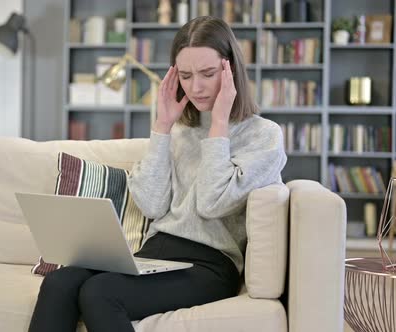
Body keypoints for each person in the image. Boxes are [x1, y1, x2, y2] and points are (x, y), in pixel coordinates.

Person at [29, 16, 287, 332]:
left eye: (207, 74)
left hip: (210, 265)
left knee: (100, 293)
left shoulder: (264, 135)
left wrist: (219, 126)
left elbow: (212, 203)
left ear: (230, 69)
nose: (197, 87)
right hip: (155, 253)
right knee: (60, 281)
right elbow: (151, 205)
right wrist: (162, 127)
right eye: (187, 76)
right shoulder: (179, 130)